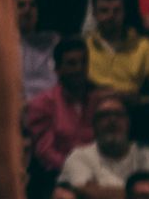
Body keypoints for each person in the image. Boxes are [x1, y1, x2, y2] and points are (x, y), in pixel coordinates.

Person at [85, 0, 149, 111]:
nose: (111, 16)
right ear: (94, 14)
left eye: (116, 11)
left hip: (134, 112)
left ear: (124, 12)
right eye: (104, 11)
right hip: (93, 112)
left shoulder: (144, 46)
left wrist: (140, 99)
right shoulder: (85, 46)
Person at [26, 38, 98, 175]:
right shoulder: (42, 104)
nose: (79, 69)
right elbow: (45, 152)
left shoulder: (97, 101)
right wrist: (77, 169)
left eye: (83, 63)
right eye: (72, 63)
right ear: (57, 69)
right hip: (59, 175)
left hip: (98, 171)